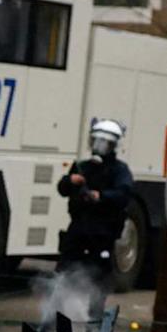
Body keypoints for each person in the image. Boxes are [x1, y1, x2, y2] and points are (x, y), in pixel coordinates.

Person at [55, 117, 134, 315]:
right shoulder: (82, 166)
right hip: (79, 228)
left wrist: (101, 196)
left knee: (99, 278)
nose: (99, 147)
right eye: (96, 141)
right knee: (64, 272)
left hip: (102, 232)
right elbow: (62, 189)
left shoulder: (119, 170)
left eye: (104, 143)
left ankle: (95, 319)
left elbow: (124, 194)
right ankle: (57, 314)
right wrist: (70, 180)